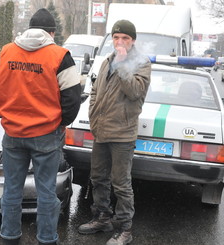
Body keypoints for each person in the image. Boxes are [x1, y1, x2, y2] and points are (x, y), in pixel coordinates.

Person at [0, 8, 81, 245]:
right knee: (46, 192)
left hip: (13, 134)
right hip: (45, 134)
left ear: (29, 29)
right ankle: (47, 239)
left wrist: (5, 115)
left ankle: (9, 237)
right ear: (52, 32)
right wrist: (59, 123)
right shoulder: (60, 56)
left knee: (12, 190)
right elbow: (72, 98)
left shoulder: (6, 52)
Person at [77, 20, 151, 245]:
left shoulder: (142, 63)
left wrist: (121, 65)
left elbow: (135, 91)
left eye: (125, 38)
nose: (120, 42)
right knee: (98, 177)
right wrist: (92, 115)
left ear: (133, 40)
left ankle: (126, 230)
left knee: (121, 183)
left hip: (122, 134)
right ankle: (102, 218)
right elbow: (95, 91)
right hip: (101, 131)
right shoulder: (106, 60)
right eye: (116, 37)